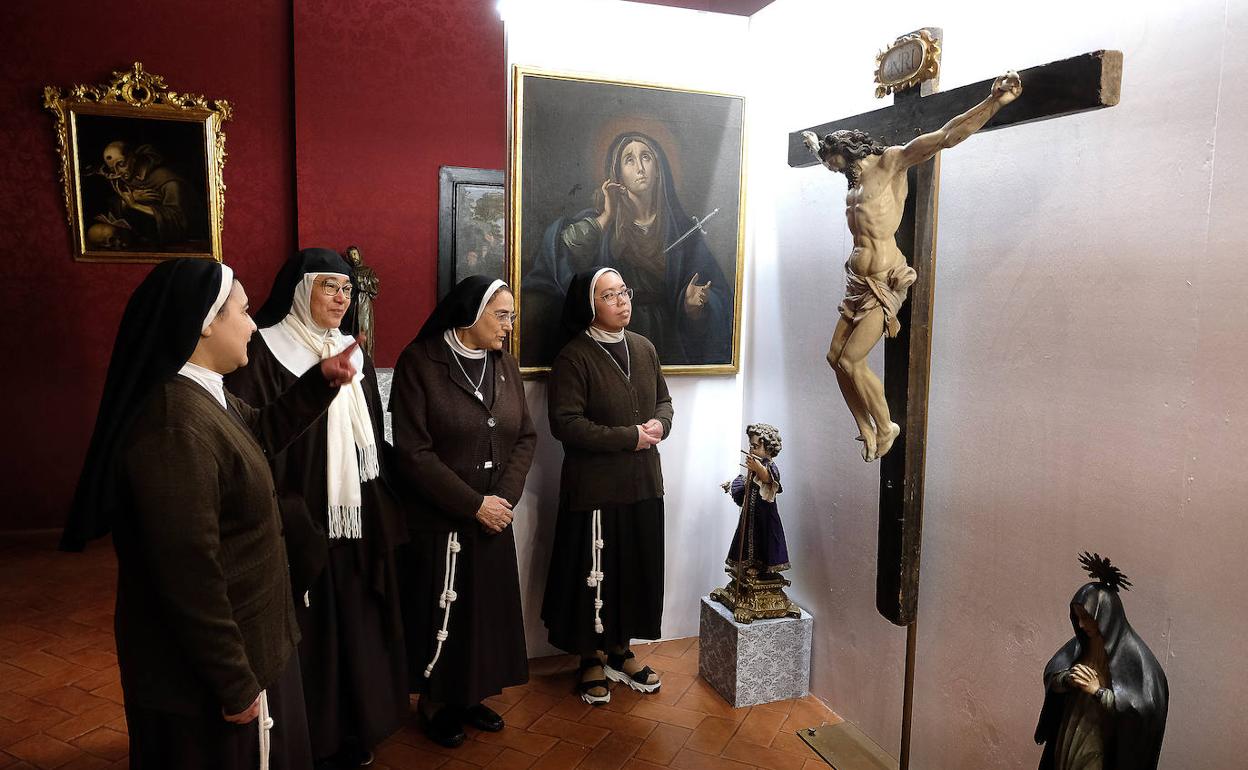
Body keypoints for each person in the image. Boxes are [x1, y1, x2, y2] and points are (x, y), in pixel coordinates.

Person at [62, 258, 360, 770]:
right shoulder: (174, 426)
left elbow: (258, 437)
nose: (251, 324)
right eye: (242, 313)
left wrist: (318, 383)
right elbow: (188, 574)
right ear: (205, 322)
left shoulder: (201, 393)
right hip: (213, 672)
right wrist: (234, 682)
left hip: (250, 643)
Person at [225, 248, 408, 768]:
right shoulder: (263, 350)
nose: (340, 298)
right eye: (329, 286)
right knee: (315, 627)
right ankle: (317, 733)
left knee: (356, 617)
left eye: (347, 290)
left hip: (355, 510)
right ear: (301, 291)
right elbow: (255, 434)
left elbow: (370, 429)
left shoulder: (352, 350)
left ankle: (359, 723)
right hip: (299, 510)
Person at [802, 71, 1022, 462]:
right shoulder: (850, 176)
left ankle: (887, 426)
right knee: (834, 356)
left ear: (852, 152)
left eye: (838, 165)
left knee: (852, 359)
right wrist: (817, 148)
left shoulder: (891, 162)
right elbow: (828, 158)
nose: (836, 172)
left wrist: (993, 102)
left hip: (883, 282)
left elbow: (947, 136)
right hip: (856, 282)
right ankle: (865, 426)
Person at [389, 276, 536, 748]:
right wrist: (474, 504)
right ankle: (435, 701)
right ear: (473, 312)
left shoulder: (504, 365)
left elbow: (525, 437)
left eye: (511, 315)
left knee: (483, 616)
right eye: (503, 315)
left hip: (495, 516)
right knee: (442, 613)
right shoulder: (422, 362)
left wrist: (503, 500)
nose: (509, 326)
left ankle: (471, 695)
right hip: (441, 520)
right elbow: (413, 452)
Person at [541, 267, 673, 705]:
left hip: (643, 483)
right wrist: (629, 437)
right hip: (595, 488)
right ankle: (590, 658)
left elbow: (664, 401)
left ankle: (621, 651)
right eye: (610, 295)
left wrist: (660, 423)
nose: (622, 301)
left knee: (634, 570)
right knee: (592, 576)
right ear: (589, 305)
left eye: (624, 292)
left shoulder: (645, 347)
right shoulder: (574, 357)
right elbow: (566, 424)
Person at [526, 131, 731, 366]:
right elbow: (562, 255)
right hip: (611, 337)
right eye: (629, 160)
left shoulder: (683, 231)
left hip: (665, 339)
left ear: (659, 167)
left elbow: (719, 296)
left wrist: (692, 305)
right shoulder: (601, 223)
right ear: (618, 173)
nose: (640, 168)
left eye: (646, 157)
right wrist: (606, 216)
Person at [1034, 554, 1169, 770]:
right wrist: (1068, 679)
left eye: (1086, 617)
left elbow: (1143, 711)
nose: (1080, 623)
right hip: (1071, 728)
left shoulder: (1137, 658)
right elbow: (1052, 674)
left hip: (1101, 738)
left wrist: (1098, 692)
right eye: (1077, 616)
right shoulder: (1079, 645)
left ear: (1104, 615)